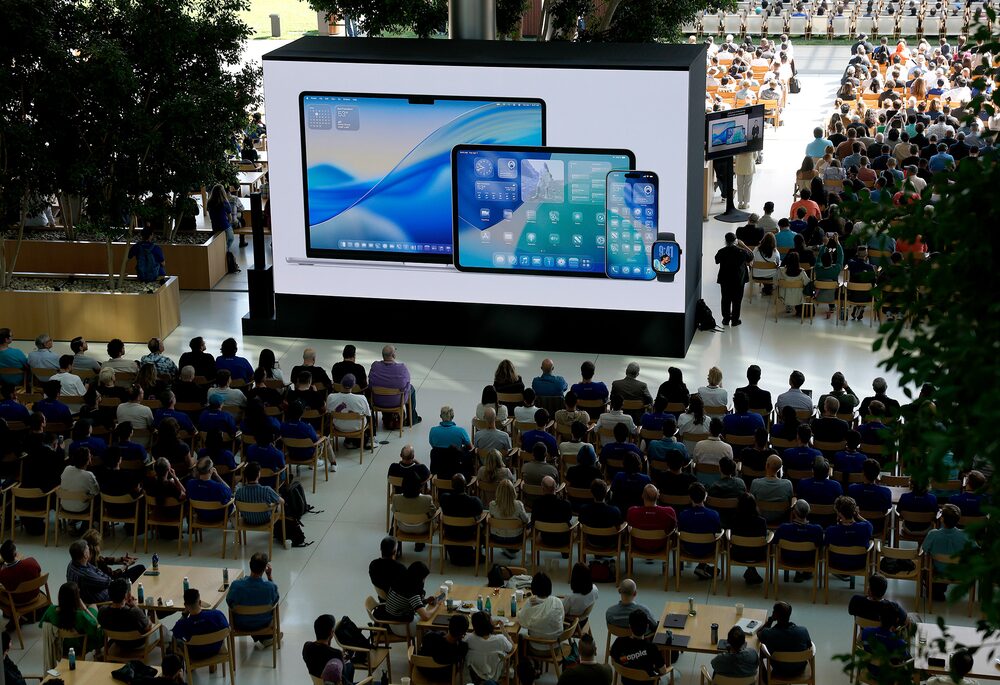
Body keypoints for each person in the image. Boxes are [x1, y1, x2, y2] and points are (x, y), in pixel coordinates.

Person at [226, 552, 280, 646]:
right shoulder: (270, 587)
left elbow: (229, 601)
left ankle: (261, 637)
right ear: (265, 568)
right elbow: (276, 599)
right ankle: (265, 636)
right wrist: (269, 577)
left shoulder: (236, 585)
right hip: (264, 624)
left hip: (241, 624)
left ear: (250, 565)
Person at [922, 503, 974, 597]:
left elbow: (924, 549)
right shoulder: (966, 535)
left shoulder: (933, 534)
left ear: (942, 519)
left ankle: (933, 587)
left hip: (938, 571)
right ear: (958, 520)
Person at [38, 582, 101, 656]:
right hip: (80, 648)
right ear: (76, 598)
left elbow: (42, 625)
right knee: (93, 607)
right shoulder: (81, 615)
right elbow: (95, 627)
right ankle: (98, 651)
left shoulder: (51, 611)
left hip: (62, 648)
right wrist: (85, 609)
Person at [609, 608, 667, 685]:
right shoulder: (652, 648)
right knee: (676, 674)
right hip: (648, 682)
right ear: (647, 626)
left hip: (626, 681)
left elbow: (613, 661)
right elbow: (663, 671)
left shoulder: (619, 642)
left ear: (630, 626)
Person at [378, 561, 436, 636]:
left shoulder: (399, 581)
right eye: (424, 578)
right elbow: (426, 616)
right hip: (402, 626)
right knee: (432, 619)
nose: (424, 581)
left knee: (426, 613)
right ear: (418, 578)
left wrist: (426, 601)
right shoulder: (412, 592)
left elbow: (408, 602)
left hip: (391, 621)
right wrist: (437, 606)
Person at [678, 482, 722, 580]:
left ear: (690, 497)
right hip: (708, 550)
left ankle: (702, 567)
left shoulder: (683, 515)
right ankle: (703, 566)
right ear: (705, 496)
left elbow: (680, 531)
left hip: (688, 549)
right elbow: (717, 533)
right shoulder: (714, 515)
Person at [773, 500, 825, 582]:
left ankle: (799, 572)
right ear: (808, 512)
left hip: (787, 559)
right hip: (808, 561)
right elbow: (820, 545)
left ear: (794, 512)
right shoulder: (817, 530)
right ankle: (803, 571)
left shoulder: (783, 528)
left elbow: (775, 542)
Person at [758, 602, 812, 679]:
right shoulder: (803, 631)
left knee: (761, 649)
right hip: (799, 669)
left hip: (779, 671)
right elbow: (809, 646)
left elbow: (759, 634)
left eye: (774, 611)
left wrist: (770, 620)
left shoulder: (769, 633)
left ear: (775, 615)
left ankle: (765, 679)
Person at [173, 588, 230, 660]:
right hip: (215, 650)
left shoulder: (182, 625)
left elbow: (175, 634)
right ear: (200, 602)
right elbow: (227, 629)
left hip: (195, 655)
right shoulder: (217, 615)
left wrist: (184, 615)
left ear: (185, 606)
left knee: (178, 642)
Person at [439, 474, 483, 566]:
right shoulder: (474, 502)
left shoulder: (445, 499)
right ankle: (479, 553)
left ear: (452, 485)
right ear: (466, 485)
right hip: (468, 535)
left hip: (450, 534)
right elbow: (480, 511)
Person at [369, 345, 420, 425]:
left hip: (378, 401)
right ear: (393, 355)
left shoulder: (375, 366)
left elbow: (370, 384)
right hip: (397, 402)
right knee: (411, 388)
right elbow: (407, 386)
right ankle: (412, 418)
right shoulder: (401, 368)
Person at [98, 577, 152, 650]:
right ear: (126, 595)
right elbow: (147, 627)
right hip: (138, 644)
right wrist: (136, 607)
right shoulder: (134, 612)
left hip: (119, 643)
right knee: (161, 628)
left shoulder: (102, 611)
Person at [825, 496, 874, 575]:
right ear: (854, 512)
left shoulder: (830, 530)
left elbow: (826, 545)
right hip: (859, 565)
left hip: (836, 564)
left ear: (839, 513)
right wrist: (858, 516)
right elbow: (869, 524)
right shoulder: (866, 527)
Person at [519, 572, 565, 650]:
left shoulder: (530, 604)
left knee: (519, 637)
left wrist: (520, 611)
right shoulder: (557, 601)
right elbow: (562, 618)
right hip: (557, 646)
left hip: (537, 647)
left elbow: (522, 622)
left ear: (533, 588)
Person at [715, 232, 753, 326]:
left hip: (725, 279)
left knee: (725, 299)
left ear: (725, 241)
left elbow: (716, 260)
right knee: (737, 300)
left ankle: (726, 319)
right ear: (736, 241)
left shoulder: (722, 251)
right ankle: (735, 320)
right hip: (739, 279)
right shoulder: (742, 252)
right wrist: (743, 245)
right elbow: (751, 256)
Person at [466, 611, 514, 683]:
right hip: (496, 674)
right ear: (490, 624)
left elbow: (474, 634)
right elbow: (512, 648)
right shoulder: (500, 639)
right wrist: (503, 630)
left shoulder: (469, 639)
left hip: (476, 673)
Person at [626, 484, 676, 553]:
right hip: (660, 547)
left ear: (642, 496)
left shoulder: (632, 511)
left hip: (639, 546)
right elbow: (673, 527)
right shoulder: (669, 512)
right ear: (658, 495)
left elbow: (629, 523)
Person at [392, 473, 436, 550]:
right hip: (422, 529)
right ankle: (419, 543)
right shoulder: (427, 499)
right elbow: (432, 513)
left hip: (403, 527)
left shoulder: (396, 498)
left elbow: (394, 512)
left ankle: (397, 546)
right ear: (419, 487)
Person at [326, 373, 371, 448]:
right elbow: (368, 414)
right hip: (357, 427)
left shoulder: (331, 397)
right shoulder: (361, 398)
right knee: (369, 416)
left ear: (341, 384)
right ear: (353, 386)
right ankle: (370, 439)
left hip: (338, 427)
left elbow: (328, 412)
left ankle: (348, 441)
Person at [303, 614, 352, 681]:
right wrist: (342, 659)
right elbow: (343, 674)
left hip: (318, 681)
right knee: (350, 666)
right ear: (332, 632)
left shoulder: (307, 647)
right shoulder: (336, 654)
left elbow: (322, 655)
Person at [488, 479, 530, 558]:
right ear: (512, 491)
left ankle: (506, 549)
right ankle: (513, 550)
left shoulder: (492, 505)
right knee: (529, 525)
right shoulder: (518, 505)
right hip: (515, 538)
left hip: (497, 537)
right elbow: (526, 520)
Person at [418, 614, 469, 678]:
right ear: (464, 633)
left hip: (424, 671)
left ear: (448, 626)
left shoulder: (429, 637)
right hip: (445, 676)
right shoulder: (462, 648)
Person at [186, 457, 234, 523]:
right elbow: (229, 492)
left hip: (201, 516)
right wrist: (217, 476)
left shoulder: (190, 484)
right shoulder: (218, 487)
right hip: (218, 517)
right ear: (211, 470)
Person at [530, 476, 573, 547]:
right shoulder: (566, 504)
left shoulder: (537, 504)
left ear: (542, 488)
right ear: (556, 488)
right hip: (563, 540)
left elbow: (533, 521)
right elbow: (569, 518)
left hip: (545, 539)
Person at [750, 455, 794, 524]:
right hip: (781, 521)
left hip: (760, 520)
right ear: (779, 469)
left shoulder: (755, 483)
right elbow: (790, 501)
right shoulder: (788, 484)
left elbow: (751, 503)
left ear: (767, 465)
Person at [0, 540, 42, 606]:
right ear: (15, 554)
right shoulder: (32, 561)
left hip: (17, 602)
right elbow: (39, 574)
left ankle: (9, 614)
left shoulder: (3, 574)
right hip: (35, 596)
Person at [693, 418, 732, 485]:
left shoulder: (699, 444)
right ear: (721, 431)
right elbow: (729, 466)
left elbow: (695, 461)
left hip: (701, 481)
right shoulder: (727, 448)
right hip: (721, 483)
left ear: (709, 429)